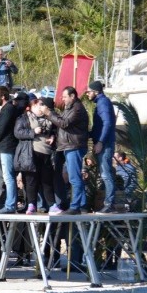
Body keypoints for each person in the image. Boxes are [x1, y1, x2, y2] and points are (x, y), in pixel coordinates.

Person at [41, 86, 89, 215]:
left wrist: (49, 114)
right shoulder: (69, 109)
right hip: (68, 146)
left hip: (74, 146)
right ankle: (82, 205)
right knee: (74, 177)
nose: (62, 99)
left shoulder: (77, 109)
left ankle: (75, 206)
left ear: (72, 96)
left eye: (65, 96)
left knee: (74, 178)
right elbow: (61, 122)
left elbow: (64, 124)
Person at [14, 97, 57, 214]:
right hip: (30, 153)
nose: (41, 108)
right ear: (32, 106)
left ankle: (52, 205)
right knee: (31, 180)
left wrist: (53, 136)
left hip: (46, 152)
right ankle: (31, 205)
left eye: (42, 105)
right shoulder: (24, 118)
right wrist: (33, 132)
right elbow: (17, 132)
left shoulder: (48, 118)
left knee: (46, 181)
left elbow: (55, 129)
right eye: (38, 105)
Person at [0, 87, 20, 213]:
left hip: (7, 147)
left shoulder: (8, 110)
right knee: (7, 176)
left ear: (2, 96)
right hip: (4, 146)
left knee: (8, 177)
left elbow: (1, 129)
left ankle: (10, 205)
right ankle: (9, 203)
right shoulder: (7, 109)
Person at [87, 80, 117, 213]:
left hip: (105, 144)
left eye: (89, 91)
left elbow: (107, 123)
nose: (87, 94)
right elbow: (98, 126)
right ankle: (108, 202)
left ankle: (109, 203)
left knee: (106, 174)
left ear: (95, 91)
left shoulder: (103, 103)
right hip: (103, 142)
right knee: (105, 173)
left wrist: (100, 142)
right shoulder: (101, 102)